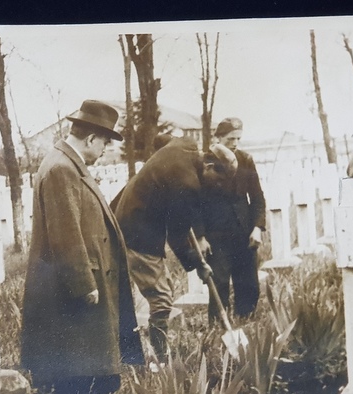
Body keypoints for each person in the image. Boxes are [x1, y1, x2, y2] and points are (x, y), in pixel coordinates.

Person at [20, 100, 144, 394]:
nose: (105, 150)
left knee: (83, 366)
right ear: (90, 139)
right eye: (105, 142)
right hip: (74, 290)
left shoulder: (67, 164)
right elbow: (65, 232)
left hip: (79, 284)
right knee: (77, 368)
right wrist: (83, 284)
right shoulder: (62, 168)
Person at [111, 136, 237, 361]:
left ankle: (156, 353)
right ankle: (160, 359)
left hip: (130, 215)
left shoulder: (185, 146)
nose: (216, 186)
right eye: (218, 180)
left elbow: (187, 211)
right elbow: (177, 235)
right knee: (161, 298)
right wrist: (198, 266)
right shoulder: (187, 184)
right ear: (208, 165)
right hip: (137, 232)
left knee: (164, 289)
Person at [200, 117, 267, 321]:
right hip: (216, 234)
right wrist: (201, 236)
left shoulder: (245, 160)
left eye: (238, 138)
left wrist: (257, 228)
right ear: (218, 138)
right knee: (219, 282)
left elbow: (257, 198)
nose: (235, 143)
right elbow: (196, 204)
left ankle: (245, 323)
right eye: (230, 139)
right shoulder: (204, 162)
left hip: (243, 232)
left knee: (248, 283)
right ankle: (218, 328)